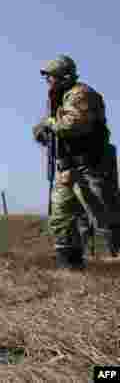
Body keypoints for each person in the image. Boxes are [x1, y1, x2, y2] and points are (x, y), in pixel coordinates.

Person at [34, 55, 120, 267]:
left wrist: (50, 123)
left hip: (92, 167)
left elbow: (73, 124)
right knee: (60, 218)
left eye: (51, 76)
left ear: (64, 76)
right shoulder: (58, 98)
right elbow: (48, 127)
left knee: (105, 215)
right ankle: (69, 268)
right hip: (66, 169)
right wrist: (41, 132)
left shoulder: (82, 94)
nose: (48, 81)